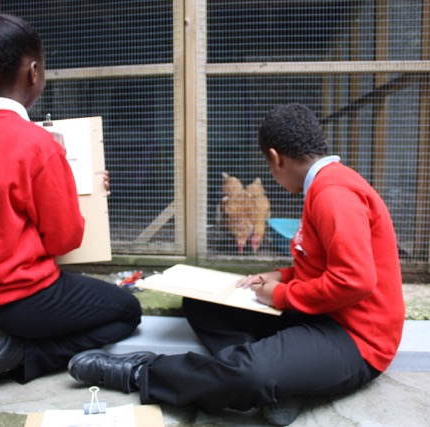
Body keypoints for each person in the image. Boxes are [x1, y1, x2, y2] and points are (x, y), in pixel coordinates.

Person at [68, 103, 405, 426]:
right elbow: (325, 265)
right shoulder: (323, 186)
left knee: (251, 374)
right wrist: (282, 275)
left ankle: (142, 372)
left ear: (275, 157)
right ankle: (284, 384)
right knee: (202, 304)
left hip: (355, 340)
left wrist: (280, 294)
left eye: (268, 165)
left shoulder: (334, 193)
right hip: (320, 315)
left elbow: (354, 281)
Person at [0, 2, 142, 397]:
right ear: (34, 71)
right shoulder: (37, 145)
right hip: (19, 297)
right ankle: (22, 352)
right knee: (127, 312)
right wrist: (65, 178)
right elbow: (64, 239)